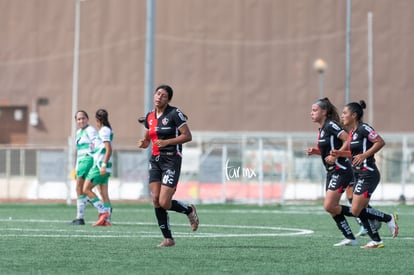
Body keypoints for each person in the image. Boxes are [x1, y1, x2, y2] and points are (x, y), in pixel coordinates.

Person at [331, 100, 399, 248]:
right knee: (359, 210)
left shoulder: (364, 128)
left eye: (344, 113)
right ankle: (376, 240)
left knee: (356, 210)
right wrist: (340, 153)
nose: (342, 116)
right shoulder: (353, 132)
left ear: (354, 115)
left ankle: (388, 219)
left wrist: (364, 155)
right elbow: (355, 154)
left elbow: (380, 142)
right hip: (359, 174)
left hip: (368, 174)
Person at [137, 84, 199, 247]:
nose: (159, 97)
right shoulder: (150, 116)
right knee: (156, 200)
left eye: (164, 95)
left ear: (168, 99)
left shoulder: (174, 113)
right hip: (155, 161)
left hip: (172, 159)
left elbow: (187, 136)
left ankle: (189, 210)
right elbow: (149, 133)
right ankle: (168, 239)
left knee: (165, 202)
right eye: (158, 94)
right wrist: (145, 142)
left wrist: (166, 142)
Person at [306, 98, 358, 246]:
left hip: (340, 170)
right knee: (332, 208)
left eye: (315, 110)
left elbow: (348, 139)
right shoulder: (322, 129)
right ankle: (350, 238)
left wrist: (337, 154)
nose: (311, 113)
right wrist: (315, 151)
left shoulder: (330, 125)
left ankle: (377, 217)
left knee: (329, 206)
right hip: (331, 171)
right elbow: (328, 152)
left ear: (324, 112)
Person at [83, 109, 114, 226]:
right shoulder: (106, 130)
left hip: (100, 166)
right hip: (103, 165)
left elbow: (108, 149)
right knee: (103, 193)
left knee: (86, 189)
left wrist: (103, 165)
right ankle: (107, 221)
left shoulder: (104, 131)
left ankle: (103, 212)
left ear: (96, 120)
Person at [69, 110, 98, 225]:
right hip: (81, 162)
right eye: (78, 119)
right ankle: (80, 216)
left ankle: (99, 209)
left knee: (79, 188)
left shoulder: (90, 130)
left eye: (83, 118)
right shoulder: (79, 132)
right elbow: (78, 151)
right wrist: (76, 168)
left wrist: (96, 161)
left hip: (87, 160)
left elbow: (96, 145)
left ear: (87, 119)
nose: (81, 121)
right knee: (81, 189)